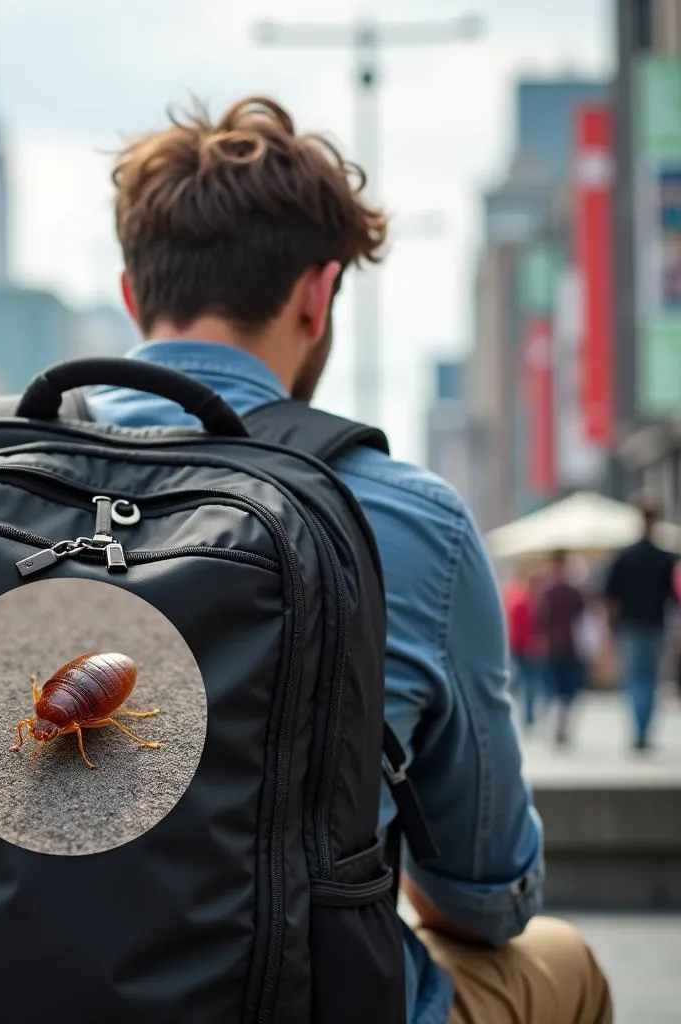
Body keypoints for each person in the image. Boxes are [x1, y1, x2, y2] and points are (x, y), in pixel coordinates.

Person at [86, 95, 611, 1024]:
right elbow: (486, 895)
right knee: (560, 963)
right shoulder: (408, 521)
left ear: (134, 296)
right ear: (318, 295)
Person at [602, 498, 679, 750]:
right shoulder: (664, 558)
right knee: (651, 678)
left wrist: (610, 628)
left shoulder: (624, 557)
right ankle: (644, 729)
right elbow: (673, 597)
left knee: (635, 679)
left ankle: (639, 728)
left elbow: (610, 597)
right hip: (655, 624)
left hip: (631, 625)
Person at [534, 550, 588, 749]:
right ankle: (560, 722)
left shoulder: (546, 592)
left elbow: (539, 620)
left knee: (554, 686)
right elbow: (584, 619)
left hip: (553, 645)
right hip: (569, 645)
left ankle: (555, 721)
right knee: (565, 688)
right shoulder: (573, 592)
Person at [502, 566, 545, 729]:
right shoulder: (525, 601)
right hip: (525, 646)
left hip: (518, 645)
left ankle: (526, 715)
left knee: (523, 681)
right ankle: (527, 715)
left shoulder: (516, 598)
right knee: (528, 682)